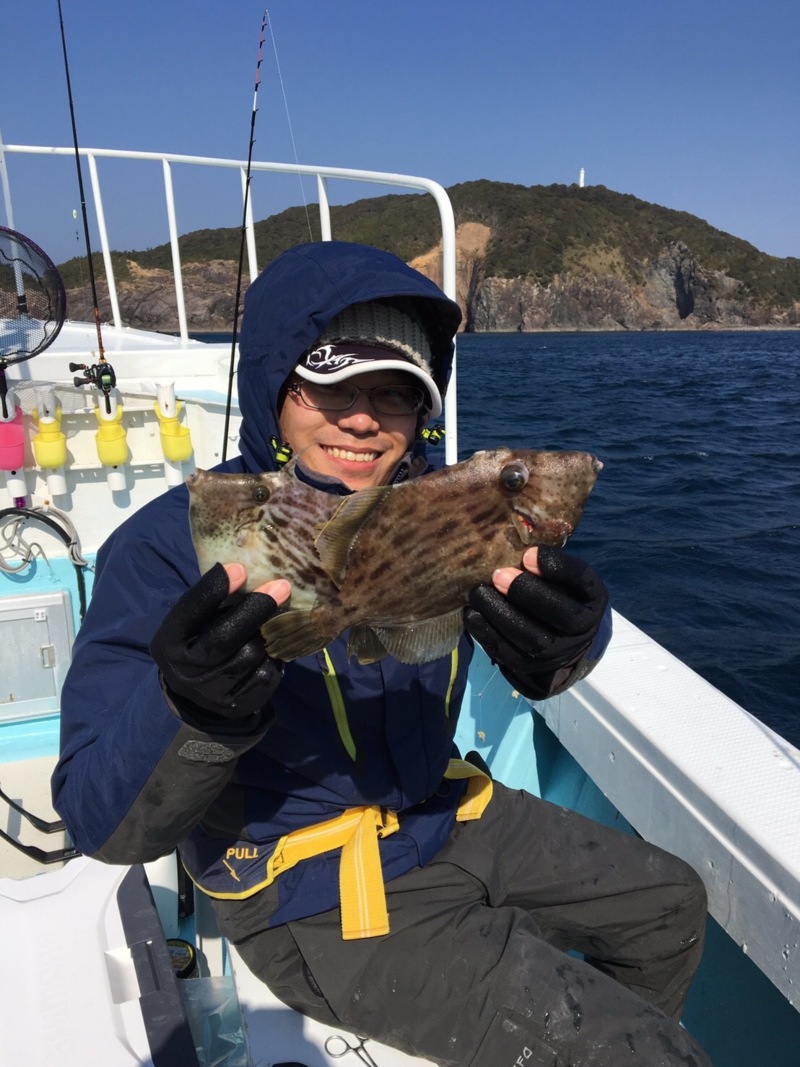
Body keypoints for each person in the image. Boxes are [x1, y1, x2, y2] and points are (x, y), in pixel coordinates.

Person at [52, 241, 710, 1067]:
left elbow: (536, 627)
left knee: (671, 903)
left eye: (395, 393)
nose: (363, 418)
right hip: (312, 892)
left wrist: (572, 641)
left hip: (447, 811)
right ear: (273, 388)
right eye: (328, 383)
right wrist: (192, 708)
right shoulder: (169, 545)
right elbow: (95, 816)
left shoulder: (447, 508)